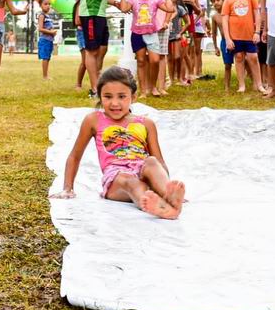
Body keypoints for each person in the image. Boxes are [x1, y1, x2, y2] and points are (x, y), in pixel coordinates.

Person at [51, 66, 186, 220]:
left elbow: (159, 161)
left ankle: (169, 197)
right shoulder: (93, 120)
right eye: (108, 97)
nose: (115, 103)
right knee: (132, 182)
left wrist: (164, 184)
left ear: (133, 97)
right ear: (100, 96)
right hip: (116, 179)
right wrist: (67, 188)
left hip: (142, 169)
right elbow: (75, 156)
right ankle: (162, 208)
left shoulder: (146, 123)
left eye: (122, 96)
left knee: (152, 161)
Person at [118, 0, 174, 97]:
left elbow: (170, 9)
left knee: (154, 60)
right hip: (137, 34)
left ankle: (153, 87)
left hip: (151, 34)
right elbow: (124, 9)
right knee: (141, 61)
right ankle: (143, 91)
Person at [221, 0, 267, 94]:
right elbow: (225, 20)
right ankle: (242, 85)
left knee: (253, 57)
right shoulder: (228, 0)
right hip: (235, 35)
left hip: (250, 34)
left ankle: (260, 84)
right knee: (239, 57)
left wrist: (257, 32)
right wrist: (228, 39)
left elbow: (257, 14)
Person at [144, 0, 174, 94]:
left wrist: (166, 22)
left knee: (162, 56)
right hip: (146, 26)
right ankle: (148, 87)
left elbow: (170, 5)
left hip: (162, 26)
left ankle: (161, 87)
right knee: (147, 57)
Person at [168, 0, 191, 86]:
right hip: (167, 36)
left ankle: (180, 78)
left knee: (178, 57)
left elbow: (188, 22)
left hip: (177, 36)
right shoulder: (165, 7)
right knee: (169, 59)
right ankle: (171, 79)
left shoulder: (180, 8)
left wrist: (181, 33)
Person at [210, 0, 232, 91]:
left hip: (236, 39)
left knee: (245, 62)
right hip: (224, 42)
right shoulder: (214, 16)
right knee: (227, 65)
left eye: (218, 0)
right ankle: (227, 86)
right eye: (213, 1)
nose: (216, 3)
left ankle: (249, 81)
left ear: (223, 0)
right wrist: (215, 47)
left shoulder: (230, 13)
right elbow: (214, 33)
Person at [253, 0, 270, 88]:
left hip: (268, 25)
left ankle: (270, 79)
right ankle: (262, 79)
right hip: (257, 26)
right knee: (261, 55)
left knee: (270, 55)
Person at [37, 0, 57, 80]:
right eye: (45, 4)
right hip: (44, 40)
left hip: (49, 40)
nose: (48, 6)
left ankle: (46, 75)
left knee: (48, 57)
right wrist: (51, 32)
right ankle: (44, 76)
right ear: (40, 6)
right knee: (45, 57)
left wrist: (53, 32)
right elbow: (40, 29)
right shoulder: (41, 16)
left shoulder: (47, 16)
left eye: (49, 4)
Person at [72, 0, 89, 92]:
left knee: (90, 61)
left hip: (90, 33)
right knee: (85, 61)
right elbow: (77, 21)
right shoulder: (81, 3)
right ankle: (78, 84)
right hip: (82, 33)